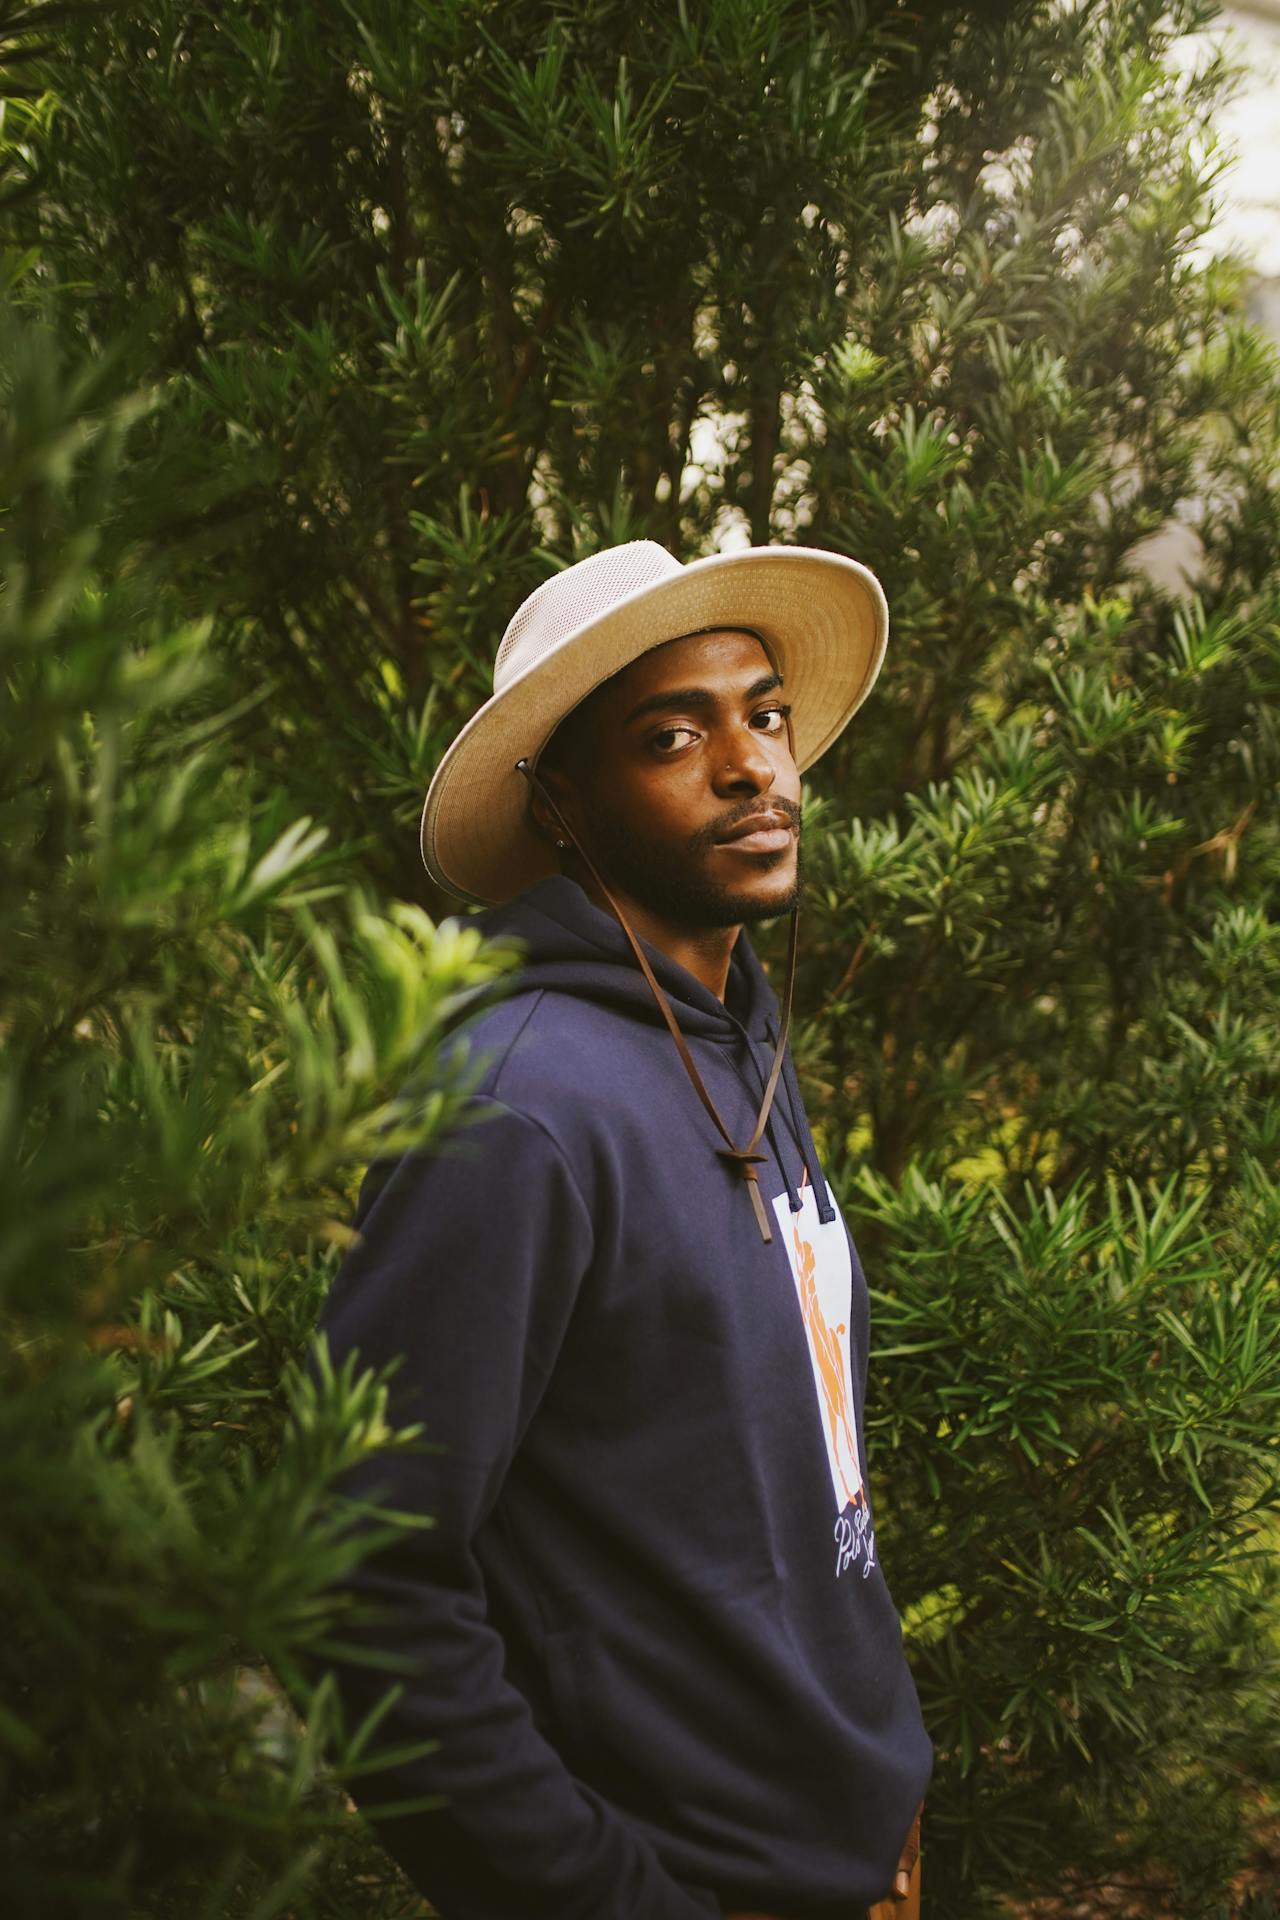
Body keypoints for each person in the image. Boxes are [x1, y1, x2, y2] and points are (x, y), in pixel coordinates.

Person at [313, 539, 933, 1920]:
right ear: (563, 802)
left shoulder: (729, 1034)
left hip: (861, 1853)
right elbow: (357, 1581)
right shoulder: (515, 1108)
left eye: (765, 714)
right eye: (673, 736)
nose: (752, 766)